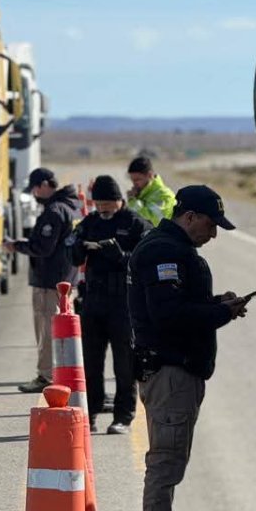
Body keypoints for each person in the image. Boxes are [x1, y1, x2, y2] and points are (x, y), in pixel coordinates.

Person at [128, 184, 251, 511]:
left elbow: (179, 305)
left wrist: (217, 304)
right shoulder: (163, 252)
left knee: (171, 463)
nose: (213, 234)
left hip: (178, 371)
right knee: (164, 466)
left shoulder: (173, 249)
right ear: (190, 217)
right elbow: (168, 316)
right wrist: (220, 313)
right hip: (170, 372)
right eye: (210, 225)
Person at [69, 174, 148, 434]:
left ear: (119, 201)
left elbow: (145, 261)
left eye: (107, 204)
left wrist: (121, 256)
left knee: (125, 363)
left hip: (123, 303)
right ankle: (90, 414)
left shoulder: (135, 223)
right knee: (91, 362)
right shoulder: (90, 222)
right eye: (98, 204)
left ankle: (123, 417)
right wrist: (79, 248)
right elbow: (72, 254)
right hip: (93, 301)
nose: (102, 209)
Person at [4, 167, 79, 393]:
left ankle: (46, 376)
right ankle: (60, 373)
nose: (35, 194)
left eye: (36, 189)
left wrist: (16, 246)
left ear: (45, 185)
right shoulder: (71, 206)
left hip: (50, 282)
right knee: (63, 332)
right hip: (66, 280)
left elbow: (43, 248)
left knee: (47, 331)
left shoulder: (54, 211)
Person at [125, 155, 177, 227]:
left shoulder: (165, 195)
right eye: (132, 180)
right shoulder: (141, 194)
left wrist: (133, 202)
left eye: (137, 179)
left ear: (150, 175)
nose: (134, 184)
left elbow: (154, 221)